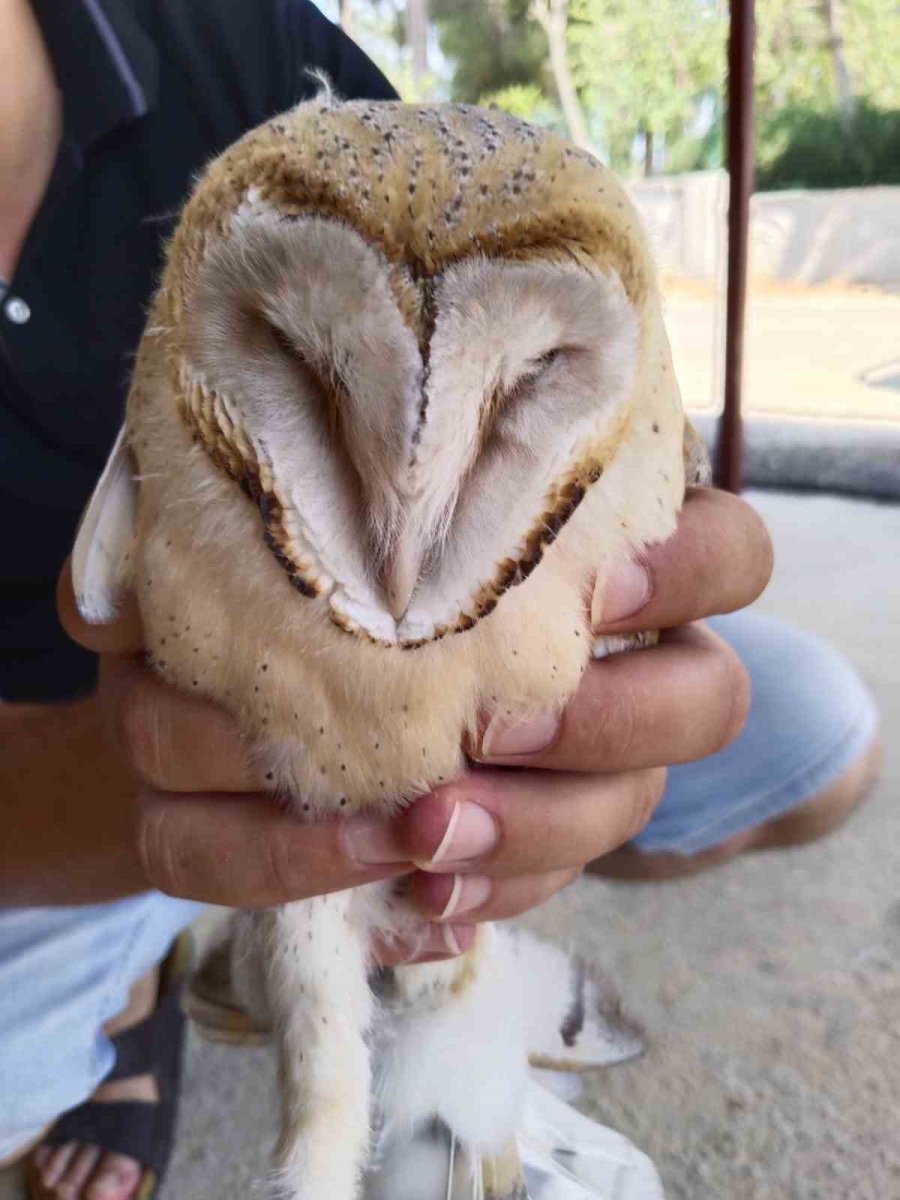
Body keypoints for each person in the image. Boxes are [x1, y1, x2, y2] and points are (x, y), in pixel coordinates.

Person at [0, 1, 881, 1198]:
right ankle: (140, 990)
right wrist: (143, 790)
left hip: (390, 737)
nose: (402, 519)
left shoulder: (237, 46)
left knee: (808, 731)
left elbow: (458, 246)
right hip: (45, 809)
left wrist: (583, 679)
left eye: (532, 385)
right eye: (310, 379)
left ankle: (354, 943)